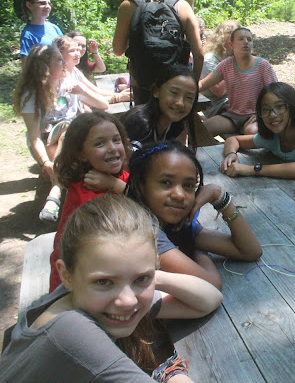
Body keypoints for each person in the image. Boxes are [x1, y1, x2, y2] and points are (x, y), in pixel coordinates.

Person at [0, 195, 222, 381]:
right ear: (66, 275)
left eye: (141, 278)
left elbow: (209, 299)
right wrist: (174, 375)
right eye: (104, 282)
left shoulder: (83, 295)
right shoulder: (72, 332)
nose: (128, 300)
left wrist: (151, 277)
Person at [127, 140, 263, 289]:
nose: (179, 195)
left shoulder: (174, 223)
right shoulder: (142, 228)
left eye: (188, 185)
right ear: (141, 185)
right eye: (166, 182)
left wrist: (219, 197)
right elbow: (211, 284)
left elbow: (250, 251)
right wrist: (200, 253)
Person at [48, 111, 131, 292]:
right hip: (77, 282)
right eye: (100, 143)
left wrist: (116, 185)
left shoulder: (120, 177)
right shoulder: (85, 192)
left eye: (116, 140)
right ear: (81, 154)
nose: (112, 148)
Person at [112, 0, 203, 105]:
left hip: (143, 85)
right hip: (176, 86)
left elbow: (117, 50)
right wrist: (193, 86)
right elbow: (199, 55)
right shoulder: (182, 6)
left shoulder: (128, 6)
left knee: (145, 118)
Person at [221, 82, 295, 178]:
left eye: (280, 107)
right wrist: (231, 154)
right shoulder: (272, 136)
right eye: (265, 109)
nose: (272, 115)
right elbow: (233, 140)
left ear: (292, 107)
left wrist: (251, 169)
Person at [13, 45, 71, 222]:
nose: (65, 63)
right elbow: (34, 137)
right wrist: (46, 163)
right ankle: (59, 192)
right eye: (59, 60)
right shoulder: (31, 96)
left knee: (67, 131)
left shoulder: (65, 83)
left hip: (66, 139)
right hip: (45, 142)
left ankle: (55, 194)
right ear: (45, 67)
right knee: (66, 131)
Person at [200, 27, 278, 137]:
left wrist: (263, 113)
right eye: (241, 39)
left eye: (249, 39)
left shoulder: (263, 65)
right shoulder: (226, 65)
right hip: (232, 115)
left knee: (252, 132)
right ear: (231, 45)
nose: (246, 42)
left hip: (254, 115)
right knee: (202, 129)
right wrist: (186, 88)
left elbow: (276, 93)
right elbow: (203, 84)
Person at [121, 64, 199, 151]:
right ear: (156, 91)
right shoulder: (139, 123)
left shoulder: (176, 126)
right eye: (174, 92)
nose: (180, 103)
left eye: (188, 97)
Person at [53, 36, 124, 110]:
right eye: (72, 51)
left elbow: (96, 92)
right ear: (59, 54)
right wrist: (119, 97)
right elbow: (94, 98)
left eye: (77, 50)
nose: (77, 54)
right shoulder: (56, 80)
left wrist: (119, 95)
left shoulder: (74, 72)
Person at [201, 20, 240, 116]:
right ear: (223, 36)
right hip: (218, 107)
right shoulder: (210, 59)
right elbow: (219, 91)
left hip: (235, 102)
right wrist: (238, 64)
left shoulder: (231, 57)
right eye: (233, 34)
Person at [19, 0, 63, 65]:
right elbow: (26, 65)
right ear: (29, 5)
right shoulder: (28, 34)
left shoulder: (54, 28)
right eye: (42, 3)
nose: (47, 6)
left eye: (49, 3)